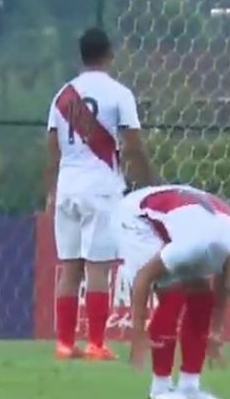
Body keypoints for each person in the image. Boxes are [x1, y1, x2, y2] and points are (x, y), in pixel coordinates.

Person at [45, 28, 155, 360]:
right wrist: (148, 181)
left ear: (81, 56)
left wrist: (50, 191)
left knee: (69, 268)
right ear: (109, 53)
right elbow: (132, 145)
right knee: (98, 269)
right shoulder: (119, 94)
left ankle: (65, 344)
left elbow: (52, 147)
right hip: (101, 188)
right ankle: (95, 343)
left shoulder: (62, 95)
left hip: (67, 186)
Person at [120, 184, 230, 399]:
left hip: (183, 212)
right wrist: (138, 332)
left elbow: (223, 279)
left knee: (202, 300)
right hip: (138, 216)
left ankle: (189, 387)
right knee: (172, 294)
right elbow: (144, 277)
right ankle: (160, 390)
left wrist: (215, 331)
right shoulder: (197, 244)